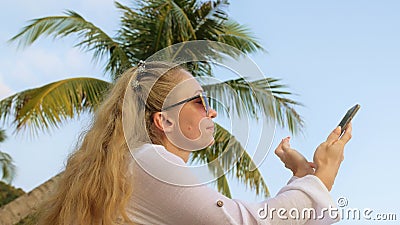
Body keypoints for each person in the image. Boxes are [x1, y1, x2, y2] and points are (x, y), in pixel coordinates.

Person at [37, 61, 352, 225]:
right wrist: (323, 173)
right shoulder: (150, 162)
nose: (212, 110)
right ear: (165, 120)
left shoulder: (135, 166)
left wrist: (301, 177)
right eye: (200, 101)